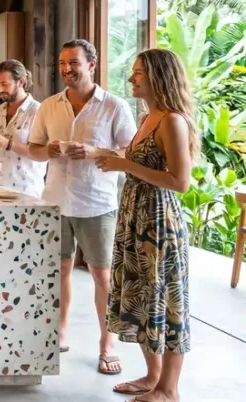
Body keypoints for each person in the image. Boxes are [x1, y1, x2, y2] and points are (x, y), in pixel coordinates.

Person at [27, 39, 136, 375]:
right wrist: (51, 150)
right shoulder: (48, 106)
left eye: (73, 63)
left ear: (92, 64)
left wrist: (95, 153)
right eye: (62, 63)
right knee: (58, 270)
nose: (66, 69)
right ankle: (59, 331)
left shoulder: (115, 106)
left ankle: (107, 342)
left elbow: (131, 155)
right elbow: (33, 149)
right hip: (55, 200)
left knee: (102, 275)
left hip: (97, 203)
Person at [97, 49, 194, 402]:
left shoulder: (172, 120)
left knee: (165, 302)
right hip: (136, 220)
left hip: (159, 224)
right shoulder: (146, 117)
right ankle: (153, 377)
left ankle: (169, 389)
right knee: (141, 300)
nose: (131, 78)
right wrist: (116, 162)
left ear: (158, 76)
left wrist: (125, 165)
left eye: (139, 73)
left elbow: (180, 181)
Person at [0, 59, 47, 197]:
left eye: (4, 84)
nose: (0, 89)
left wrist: (7, 143)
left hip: (27, 191)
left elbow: (43, 154)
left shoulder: (38, 111)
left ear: (21, 82)